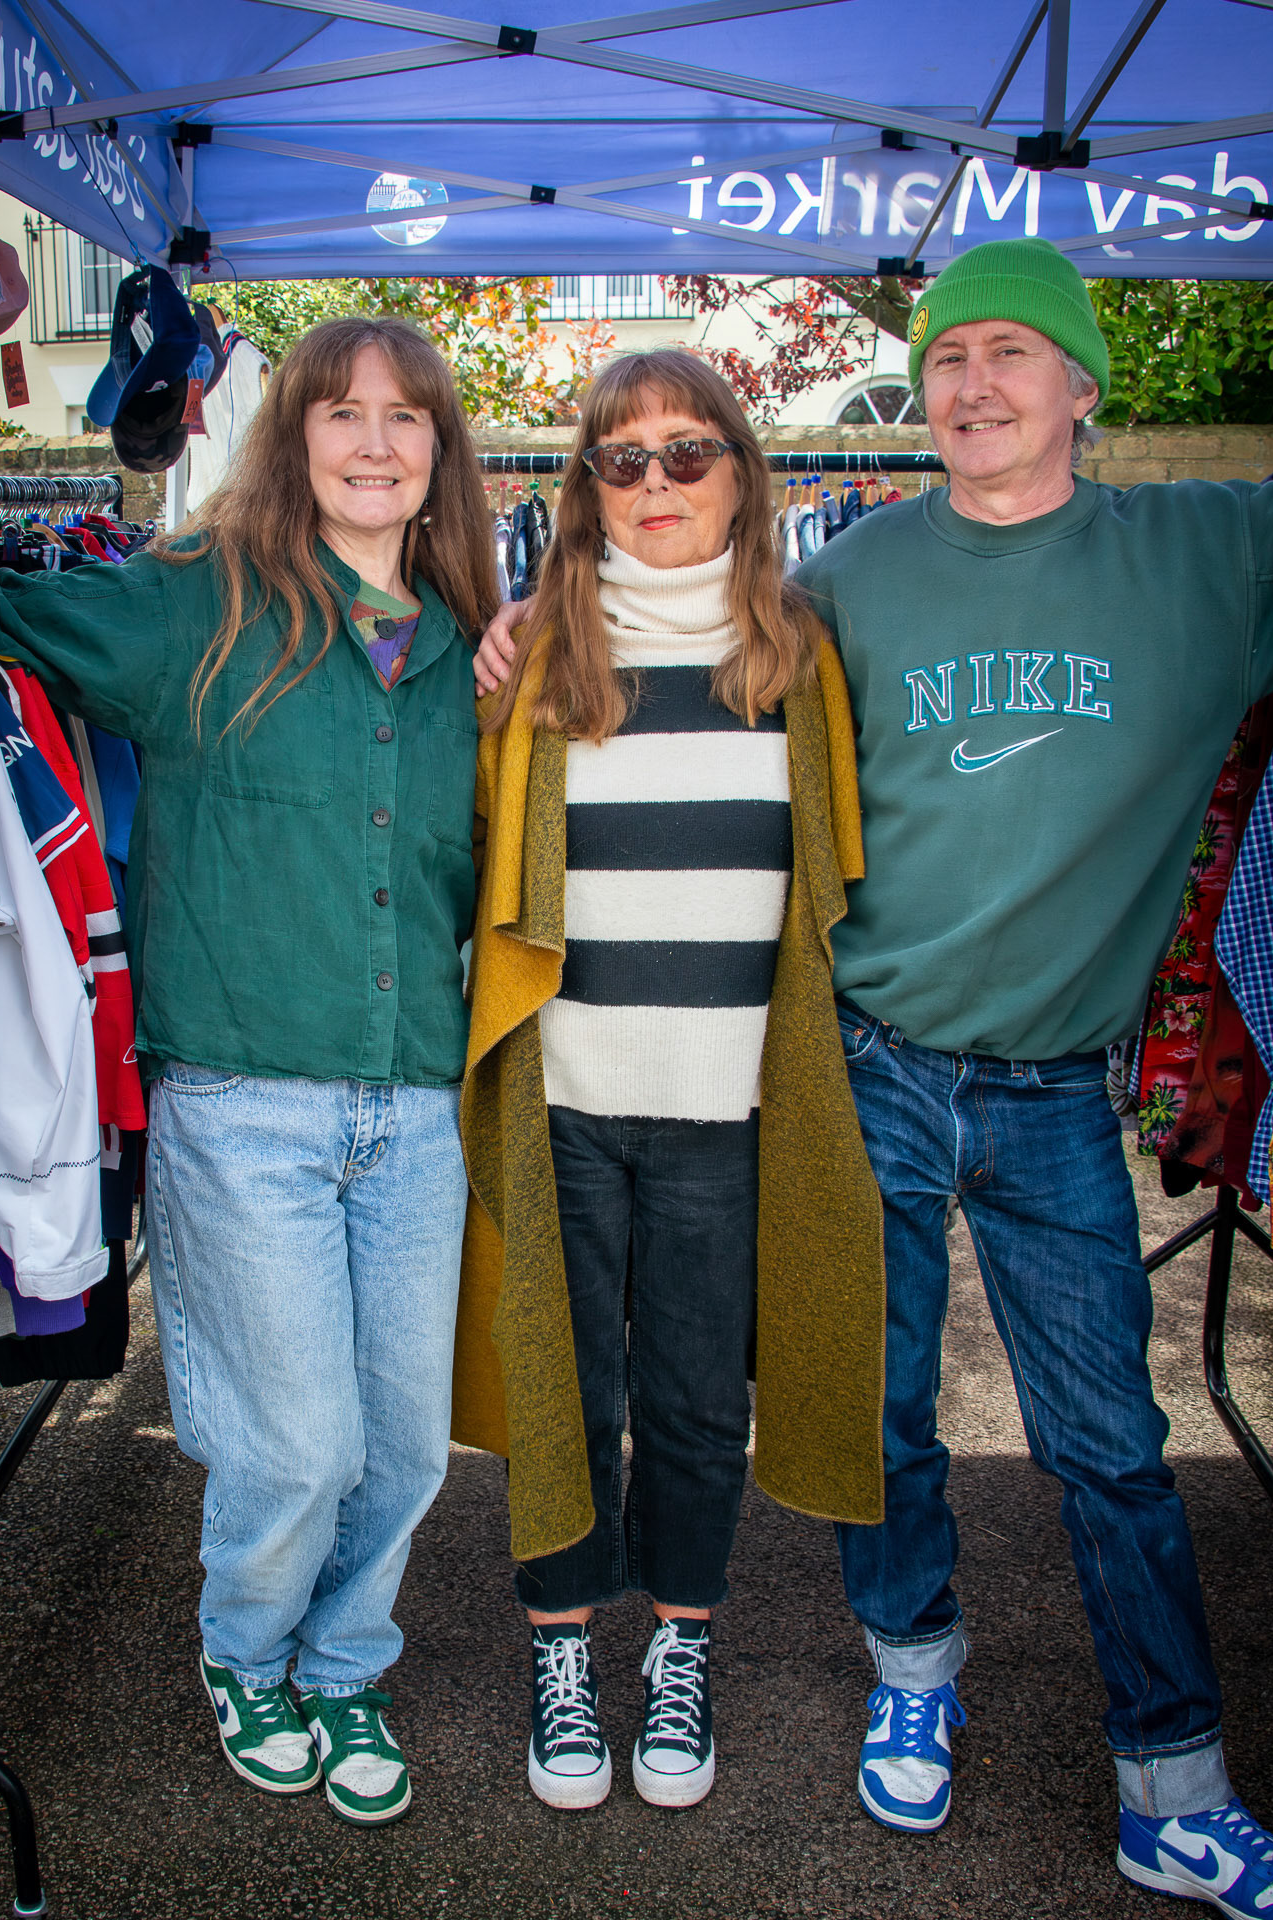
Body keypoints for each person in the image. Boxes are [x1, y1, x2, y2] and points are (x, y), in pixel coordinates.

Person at [791, 238, 1273, 1920]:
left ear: (1083, 385)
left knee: (1112, 1448)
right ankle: (910, 1675)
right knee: (877, 1414)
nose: (972, 384)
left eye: (1010, 353)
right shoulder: (845, 576)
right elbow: (673, 671)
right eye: (947, 359)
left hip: (1050, 1093)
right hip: (870, 1059)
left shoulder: (1213, 555)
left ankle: (1175, 1795)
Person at [0, 318, 499, 1828]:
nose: (375, 443)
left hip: (416, 1105)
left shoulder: (471, 646)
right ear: (293, 436)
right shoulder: (194, 606)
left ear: (441, 450)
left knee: (403, 1447)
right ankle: (248, 1652)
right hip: (244, 1105)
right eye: (343, 414)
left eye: (406, 417)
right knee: (297, 1445)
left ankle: (346, 1660)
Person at [452, 349, 885, 1811]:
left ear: (743, 478)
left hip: (728, 1107)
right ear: (585, 487)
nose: (655, 483)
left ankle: (682, 1642)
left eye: (688, 452)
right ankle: (565, 1649)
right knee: (563, 1388)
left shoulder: (797, 661)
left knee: (698, 1402)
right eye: (621, 457)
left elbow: (834, 883)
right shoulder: (536, 662)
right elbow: (476, 859)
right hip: (565, 1101)